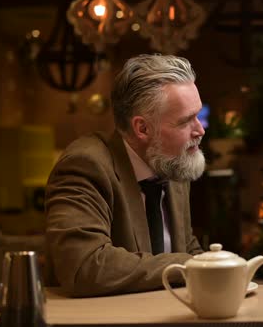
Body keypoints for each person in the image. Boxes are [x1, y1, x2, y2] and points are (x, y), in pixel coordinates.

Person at [45, 54, 205, 297]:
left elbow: (185, 246)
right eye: (185, 121)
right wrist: (191, 266)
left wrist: (221, 268)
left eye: (198, 115)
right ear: (142, 128)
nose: (200, 130)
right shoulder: (86, 166)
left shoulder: (172, 161)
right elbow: (85, 267)